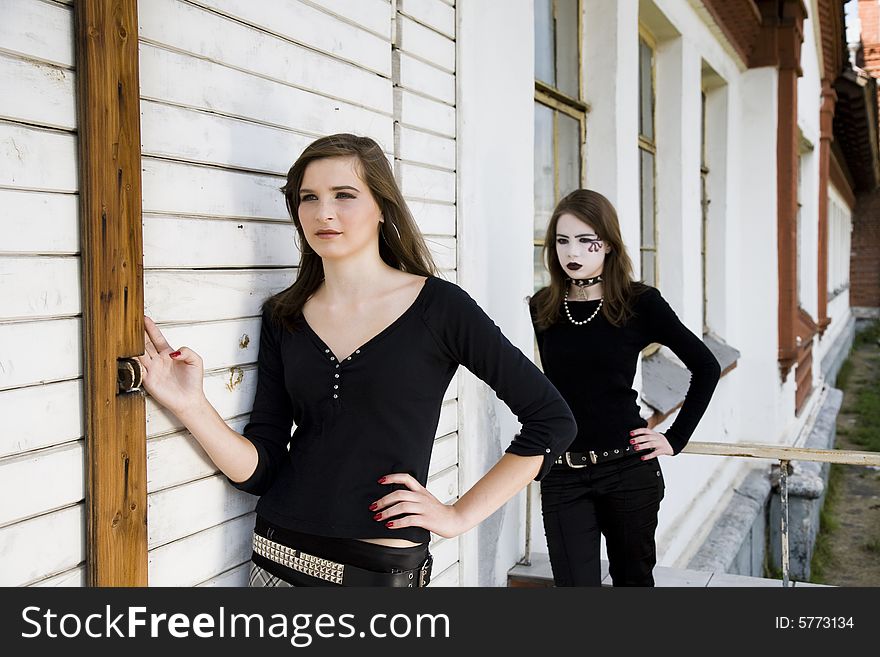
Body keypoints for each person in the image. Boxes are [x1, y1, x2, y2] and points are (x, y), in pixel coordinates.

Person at [137, 133, 577, 587]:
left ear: (381, 206)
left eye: (344, 195)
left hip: (378, 573)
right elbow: (260, 470)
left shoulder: (440, 308)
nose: (323, 212)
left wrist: (457, 515)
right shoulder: (283, 315)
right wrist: (191, 406)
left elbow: (552, 421)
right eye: (309, 197)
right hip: (274, 560)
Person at [530, 189, 721, 587]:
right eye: (562, 240)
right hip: (563, 475)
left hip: (627, 471)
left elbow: (706, 365)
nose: (572, 251)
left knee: (632, 585)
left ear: (608, 245)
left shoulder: (639, 302)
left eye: (586, 240)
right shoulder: (543, 306)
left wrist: (675, 438)